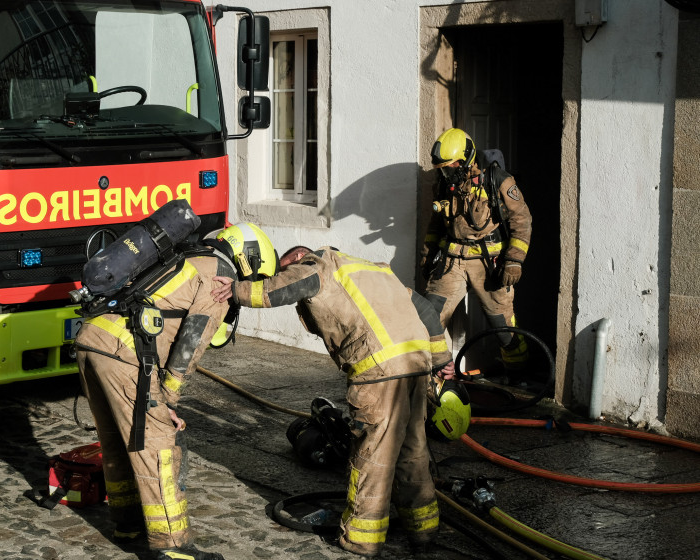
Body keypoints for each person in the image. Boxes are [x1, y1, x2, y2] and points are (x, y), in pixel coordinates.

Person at [212, 245, 455, 557]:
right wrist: (440, 357)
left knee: (373, 458)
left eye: (286, 266)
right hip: (417, 365)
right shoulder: (374, 269)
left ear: (299, 258)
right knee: (413, 451)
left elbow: (283, 288)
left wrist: (236, 291)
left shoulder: (318, 265)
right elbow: (424, 308)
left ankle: (361, 539)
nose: (286, 272)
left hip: (380, 372)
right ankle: (424, 532)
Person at [75, 222, 277, 560]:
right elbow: (192, 342)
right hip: (124, 348)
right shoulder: (219, 275)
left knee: (116, 440)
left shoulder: (185, 256)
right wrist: (168, 398)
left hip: (91, 337)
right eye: (253, 277)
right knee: (158, 446)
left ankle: (127, 525)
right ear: (249, 259)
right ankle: (172, 545)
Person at [421, 127, 533, 373]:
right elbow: (435, 223)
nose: (447, 172)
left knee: (502, 325)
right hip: (451, 262)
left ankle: (518, 374)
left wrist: (514, 260)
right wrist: (427, 255)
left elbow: (522, 220)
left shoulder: (498, 180)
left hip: (488, 264)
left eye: (452, 166)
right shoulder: (443, 184)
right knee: (428, 318)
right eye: (443, 168)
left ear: (467, 158)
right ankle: (434, 374)